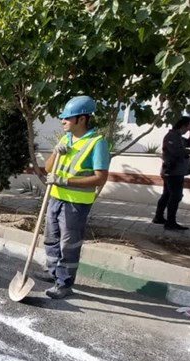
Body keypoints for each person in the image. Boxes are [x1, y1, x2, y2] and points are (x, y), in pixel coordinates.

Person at [34, 96, 111, 299]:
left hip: (76, 203)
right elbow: (49, 168)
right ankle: (53, 274)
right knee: (51, 240)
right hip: (55, 198)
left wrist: (66, 181)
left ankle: (65, 284)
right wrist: (54, 152)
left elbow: (101, 178)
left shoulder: (97, 143)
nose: (63, 121)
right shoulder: (65, 140)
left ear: (82, 119)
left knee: (69, 245)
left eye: (68, 118)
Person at [152, 116, 190, 230]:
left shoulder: (179, 137)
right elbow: (178, 152)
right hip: (172, 171)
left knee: (167, 194)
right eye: (189, 126)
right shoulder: (171, 137)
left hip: (175, 171)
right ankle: (170, 222)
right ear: (184, 126)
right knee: (176, 196)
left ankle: (159, 217)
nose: (189, 129)